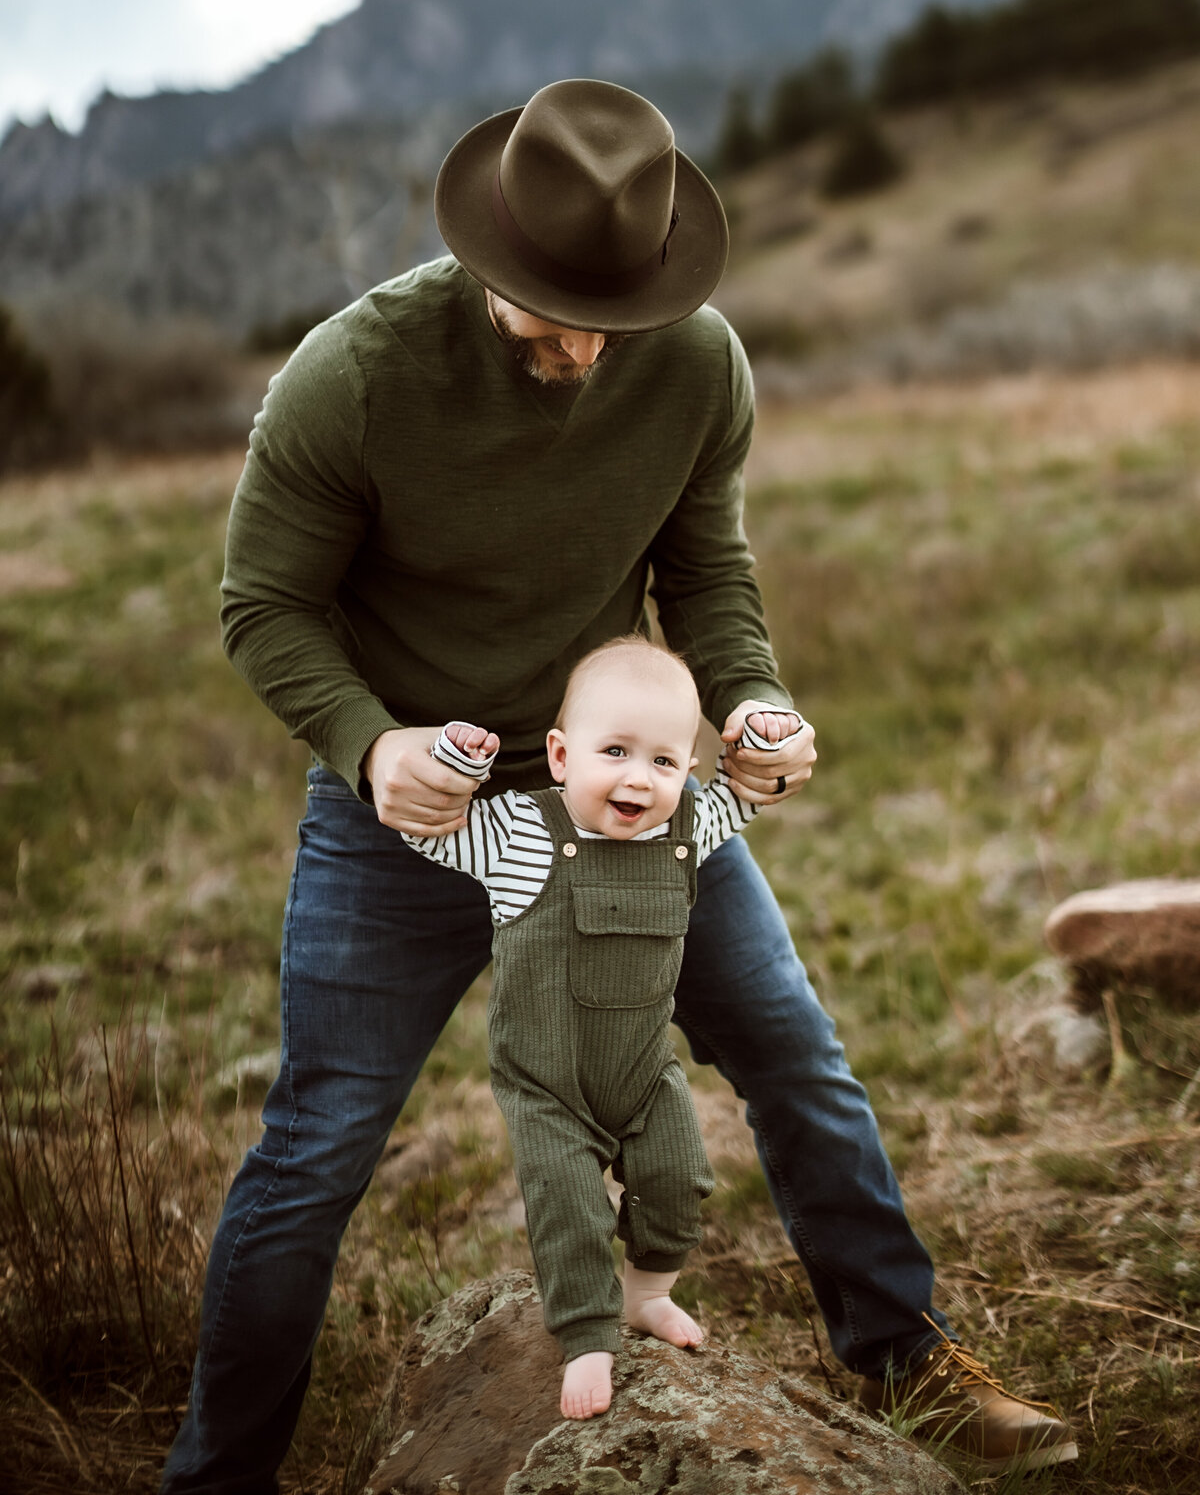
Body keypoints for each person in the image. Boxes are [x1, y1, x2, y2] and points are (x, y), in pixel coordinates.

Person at [162, 78, 1076, 1491]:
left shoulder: (700, 363)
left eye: (616, 311)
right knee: (318, 1147)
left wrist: (756, 700)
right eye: (550, 307)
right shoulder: (349, 376)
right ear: (484, 257)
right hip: (413, 812)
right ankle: (214, 1477)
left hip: (627, 802)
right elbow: (264, 606)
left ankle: (911, 1360)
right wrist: (371, 745)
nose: (587, 345)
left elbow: (706, 570)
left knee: (792, 1054)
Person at [405, 638, 802, 1420]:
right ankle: (586, 1334)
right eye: (613, 751)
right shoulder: (521, 835)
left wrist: (764, 738)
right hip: (548, 1080)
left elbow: (750, 795)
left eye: (662, 760)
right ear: (560, 755)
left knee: (681, 1181)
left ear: (688, 770)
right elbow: (429, 830)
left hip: (643, 1072)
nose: (636, 777)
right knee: (571, 1206)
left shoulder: (687, 829)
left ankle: (647, 1292)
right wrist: (453, 766)